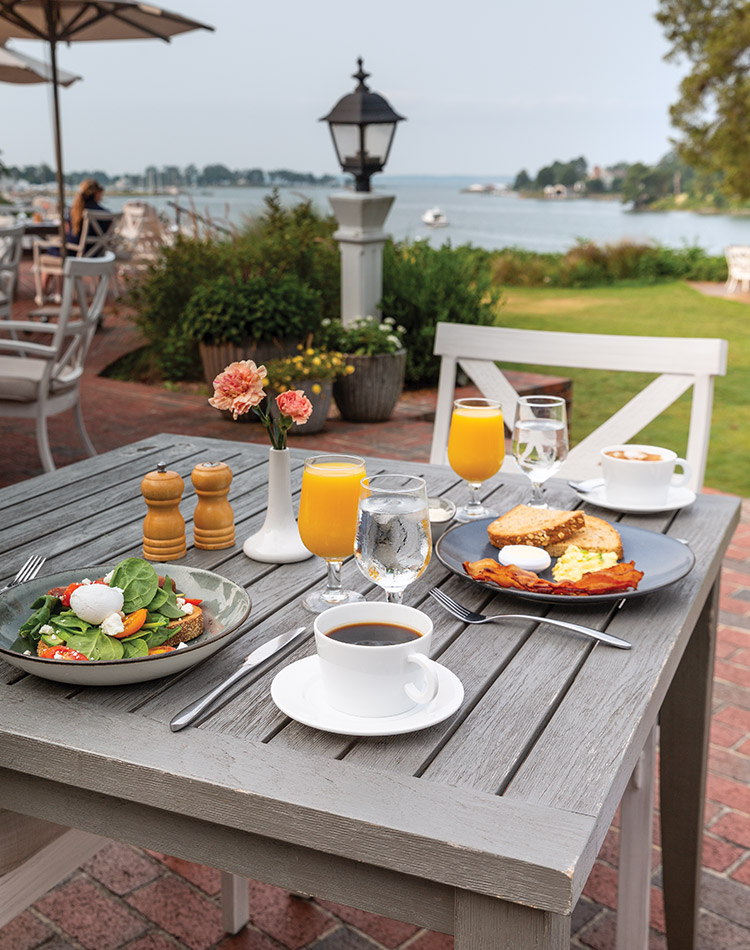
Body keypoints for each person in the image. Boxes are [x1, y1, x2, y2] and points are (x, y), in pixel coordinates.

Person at [67, 178, 112, 248]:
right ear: (97, 193)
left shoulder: (74, 211)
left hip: (74, 250)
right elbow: (109, 238)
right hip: (97, 252)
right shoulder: (106, 214)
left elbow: (68, 232)